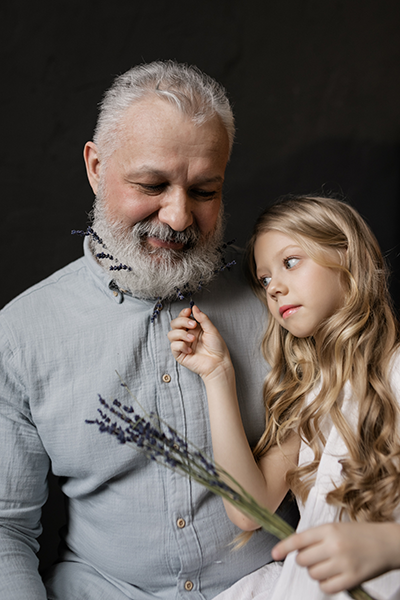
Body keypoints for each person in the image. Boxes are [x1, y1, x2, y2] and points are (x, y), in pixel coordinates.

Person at [0, 61, 298, 600]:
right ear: (95, 167)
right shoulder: (21, 335)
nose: (180, 216)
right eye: (151, 184)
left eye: (205, 190)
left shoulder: (281, 300)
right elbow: (5, 531)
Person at [169, 195, 400, 599]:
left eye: (290, 262)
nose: (273, 287)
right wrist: (218, 375)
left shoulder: (395, 374)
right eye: (263, 279)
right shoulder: (313, 396)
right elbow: (247, 510)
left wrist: (387, 544)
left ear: (346, 256)